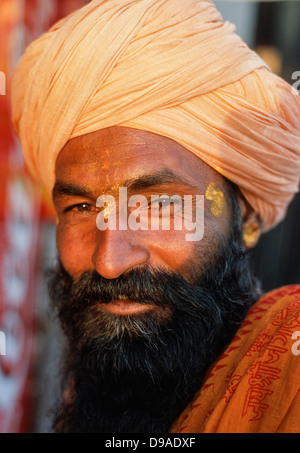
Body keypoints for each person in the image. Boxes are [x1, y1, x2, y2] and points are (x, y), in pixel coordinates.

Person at [10, 0, 300, 433]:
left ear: (249, 218)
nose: (109, 261)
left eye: (161, 205)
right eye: (82, 208)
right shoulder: (97, 393)